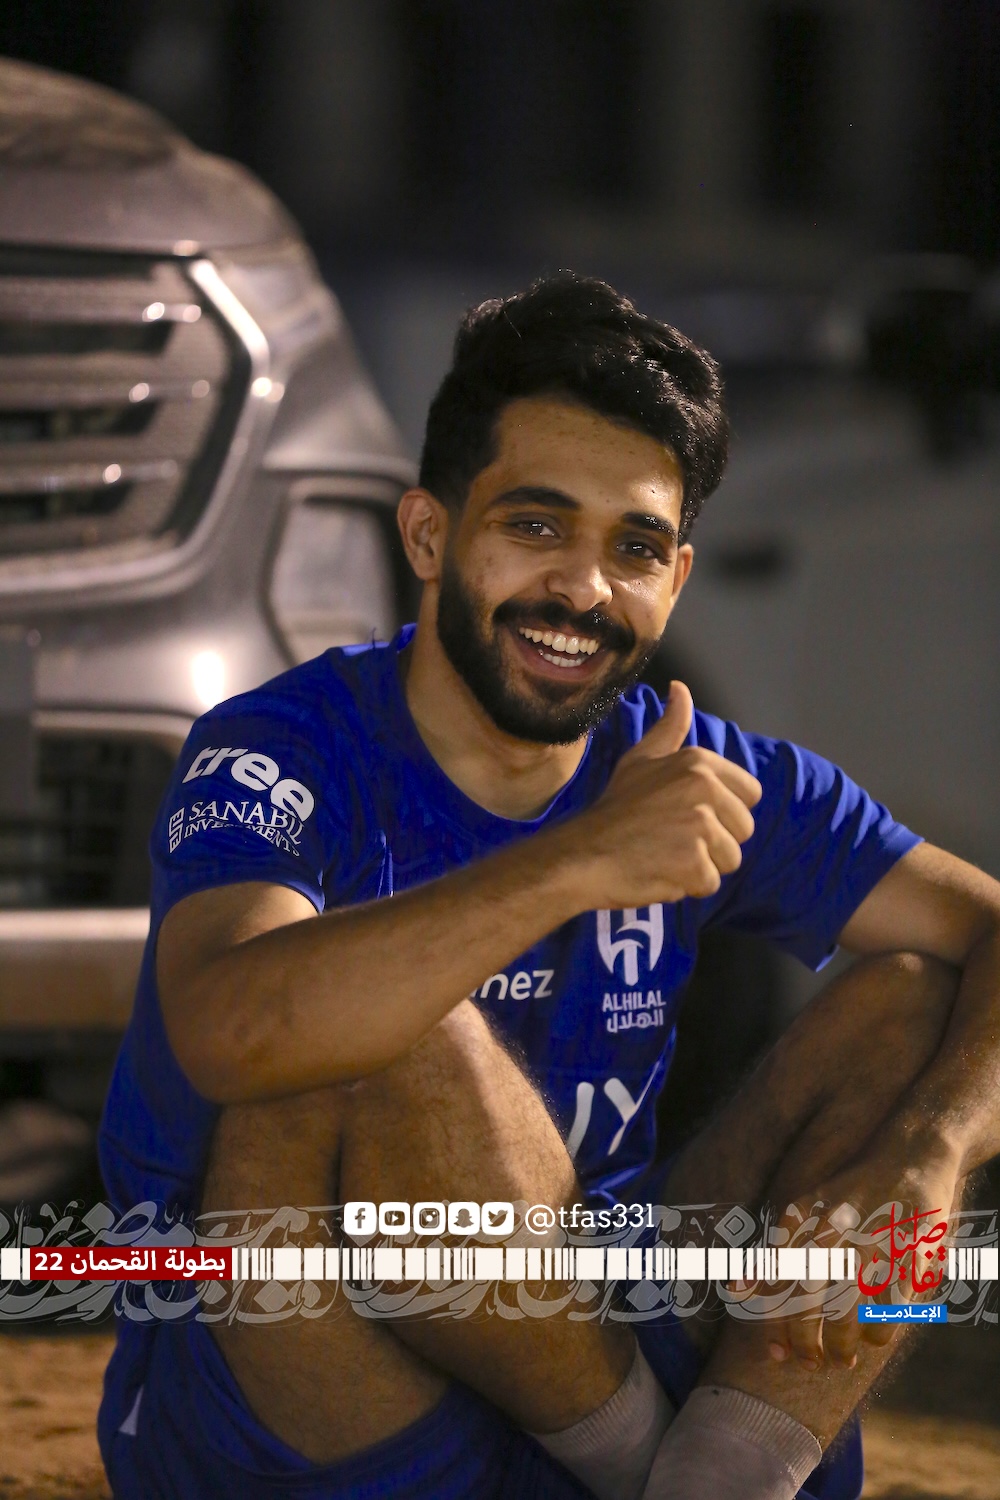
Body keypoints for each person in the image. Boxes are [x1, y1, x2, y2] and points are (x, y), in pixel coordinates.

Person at [97, 273, 1000, 1500]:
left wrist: (929, 1159)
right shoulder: (279, 745)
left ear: (676, 579)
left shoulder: (704, 768)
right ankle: (638, 1471)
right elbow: (226, 1026)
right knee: (382, 1026)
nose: (582, 588)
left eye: (634, 549)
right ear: (429, 537)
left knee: (915, 998)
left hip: (593, 1320)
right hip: (317, 1385)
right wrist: (583, 859)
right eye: (534, 527)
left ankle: (720, 1478)